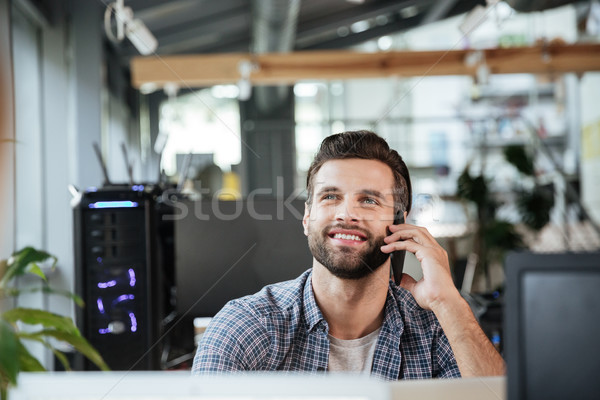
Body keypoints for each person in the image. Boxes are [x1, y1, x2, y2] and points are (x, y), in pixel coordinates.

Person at [192, 130, 505, 379]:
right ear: (307, 217)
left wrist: (446, 302)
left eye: (368, 201)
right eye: (330, 196)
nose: (346, 213)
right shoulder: (246, 327)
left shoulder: (437, 331)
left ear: (399, 222)